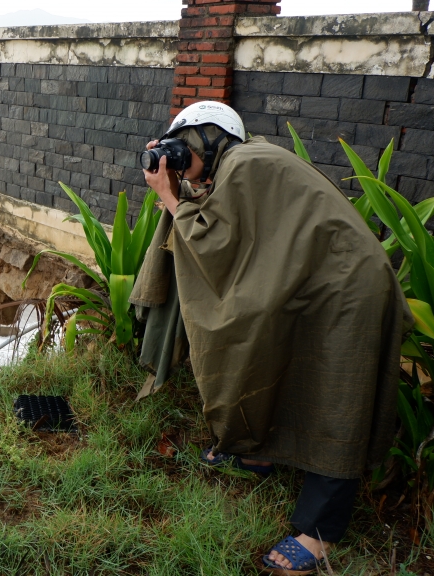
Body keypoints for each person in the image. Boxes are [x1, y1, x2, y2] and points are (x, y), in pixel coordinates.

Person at [139, 101, 412, 575]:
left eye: (184, 148)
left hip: (347, 290)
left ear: (210, 137)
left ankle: (319, 533)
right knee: (270, 357)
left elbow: (214, 242)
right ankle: (257, 453)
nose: (178, 160)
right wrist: (182, 179)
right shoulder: (244, 161)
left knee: (335, 399)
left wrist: (167, 193)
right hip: (318, 281)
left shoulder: (248, 164)